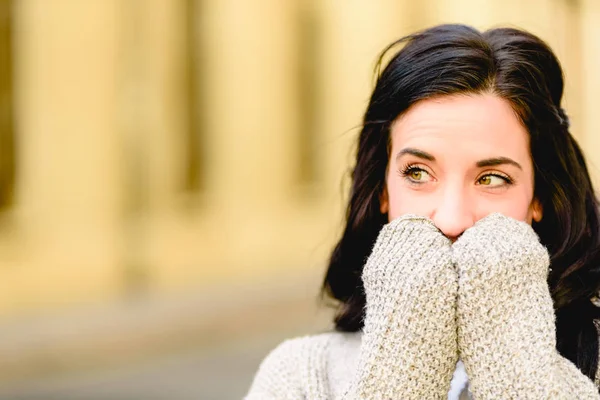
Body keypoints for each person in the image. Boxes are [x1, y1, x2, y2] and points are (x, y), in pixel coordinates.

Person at [244, 24, 600, 399]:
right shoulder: (298, 375)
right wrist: (402, 365)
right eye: (417, 173)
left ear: (538, 197)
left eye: (492, 178)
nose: (451, 220)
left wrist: (518, 366)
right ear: (382, 188)